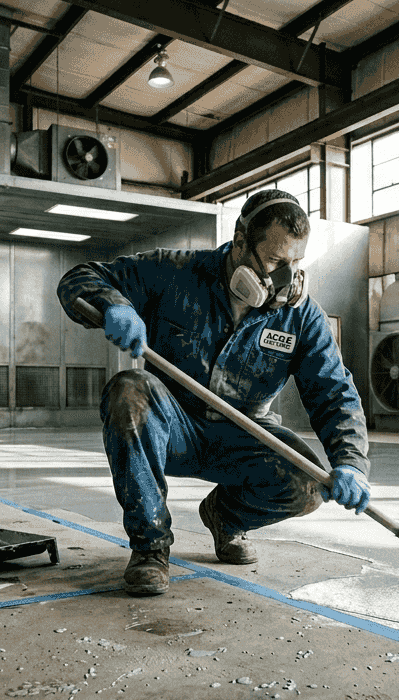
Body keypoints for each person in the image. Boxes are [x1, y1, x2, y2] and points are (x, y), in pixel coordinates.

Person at [56, 190, 371, 596]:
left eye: (296, 263)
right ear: (240, 241)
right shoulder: (176, 272)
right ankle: (150, 548)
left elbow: (334, 392)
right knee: (129, 391)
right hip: (173, 428)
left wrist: (350, 463)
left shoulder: (301, 316)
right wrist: (113, 304)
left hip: (243, 436)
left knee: (309, 484)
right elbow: (81, 278)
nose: (286, 278)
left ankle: (226, 516)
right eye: (276, 262)